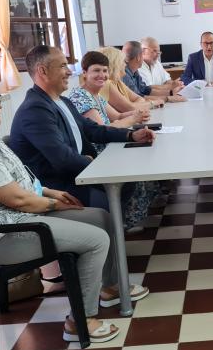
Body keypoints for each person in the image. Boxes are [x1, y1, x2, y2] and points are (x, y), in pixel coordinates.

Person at [0, 75, 147, 344]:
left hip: (23, 216)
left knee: (101, 217)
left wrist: (49, 192)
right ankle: (79, 320)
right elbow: (19, 201)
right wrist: (53, 203)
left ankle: (108, 287)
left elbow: (20, 178)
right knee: (97, 239)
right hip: (9, 234)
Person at [9, 45, 155, 229]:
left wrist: (131, 135)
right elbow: (62, 159)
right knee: (121, 183)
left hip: (78, 170)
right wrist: (98, 166)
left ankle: (114, 234)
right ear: (43, 71)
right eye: (63, 66)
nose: (69, 72)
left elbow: (93, 130)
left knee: (128, 181)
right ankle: (107, 236)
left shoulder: (62, 100)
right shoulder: (35, 109)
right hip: (60, 184)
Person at [67, 51, 159, 232]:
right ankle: (123, 223)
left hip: (111, 147)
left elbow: (117, 116)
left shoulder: (95, 95)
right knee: (140, 166)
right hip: (98, 155)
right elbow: (103, 131)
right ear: (84, 72)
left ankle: (130, 217)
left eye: (104, 71)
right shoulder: (80, 97)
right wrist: (133, 119)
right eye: (96, 71)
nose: (102, 75)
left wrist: (136, 114)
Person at [98, 46, 161, 113]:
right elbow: (130, 108)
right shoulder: (106, 84)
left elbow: (139, 98)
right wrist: (152, 103)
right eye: (123, 62)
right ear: (115, 65)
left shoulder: (118, 82)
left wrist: (133, 105)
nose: (125, 65)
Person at [122, 40, 186, 103]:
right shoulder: (124, 74)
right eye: (155, 51)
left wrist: (171, 92)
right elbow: (138, 97)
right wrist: (167, 98)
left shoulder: (135, 72)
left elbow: (145, 90)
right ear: (139, 57)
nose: (158, 54)